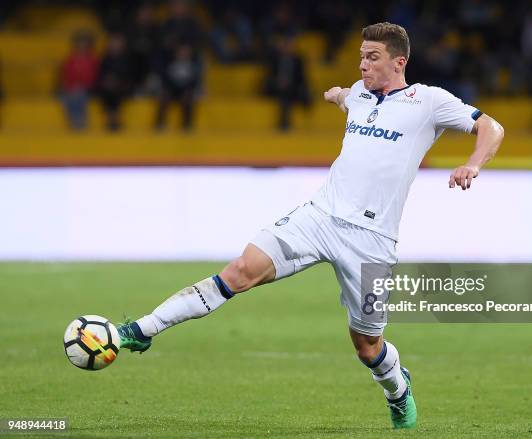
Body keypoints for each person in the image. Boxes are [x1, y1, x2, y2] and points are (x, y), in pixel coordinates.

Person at [117, 22, 504, 429]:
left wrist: (473, 163)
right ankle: (142, 329)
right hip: (318, 216)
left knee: (367, 345)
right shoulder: (357, 95)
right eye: (360, 56)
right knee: (240, 271)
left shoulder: (428, 101)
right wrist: (336, 94)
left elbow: (491, 127)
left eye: (372, 58)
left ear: (399, 62)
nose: (362, 65)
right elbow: (344, 96)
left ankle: (397, 389)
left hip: (371, 240)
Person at [59, 31, 99, 130]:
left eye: (84, 43)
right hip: (72, 88)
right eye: (80, 43)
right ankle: (74, 121)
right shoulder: (70, 60)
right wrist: (71, 86)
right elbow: (66, 76)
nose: (82, 46)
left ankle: (81, 121)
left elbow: (94, 76)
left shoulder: (93, 60)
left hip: (88, 88)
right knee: (65, 97)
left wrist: (83, 85)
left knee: (79, 95)